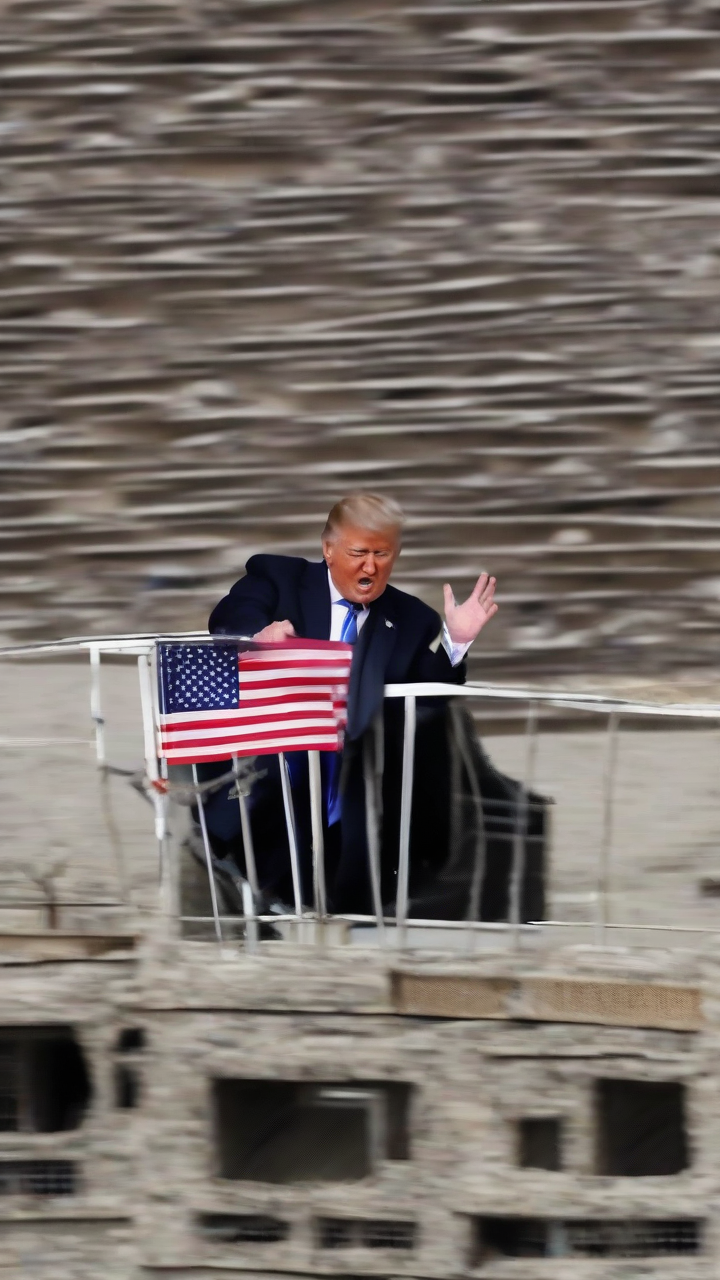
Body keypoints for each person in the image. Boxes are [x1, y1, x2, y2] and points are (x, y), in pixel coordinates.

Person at [203, 493, 499, 915]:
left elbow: (429, 697)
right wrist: (258, 635)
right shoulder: (279, 577)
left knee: (339, 891)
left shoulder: (412, 618)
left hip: (354, 784)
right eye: (359, 553)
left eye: (382, 554)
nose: (370, 567)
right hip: (271, 774)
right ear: (328, 549)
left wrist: (457, 642)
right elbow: (229, 617)